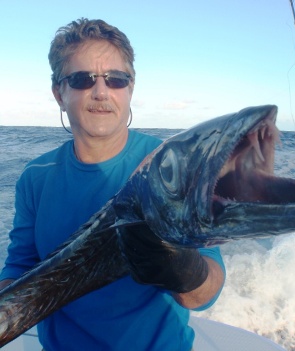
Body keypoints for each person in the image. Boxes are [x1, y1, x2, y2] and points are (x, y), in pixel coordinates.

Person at [0, 18, 225, 351]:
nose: (101, 92)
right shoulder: (36, 175)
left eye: (117, 79)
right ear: (59, 93)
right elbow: (20, 267)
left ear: (131, 89)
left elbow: (204, 294)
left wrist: (181, 267)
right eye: (81, 79)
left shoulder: (169, 165)